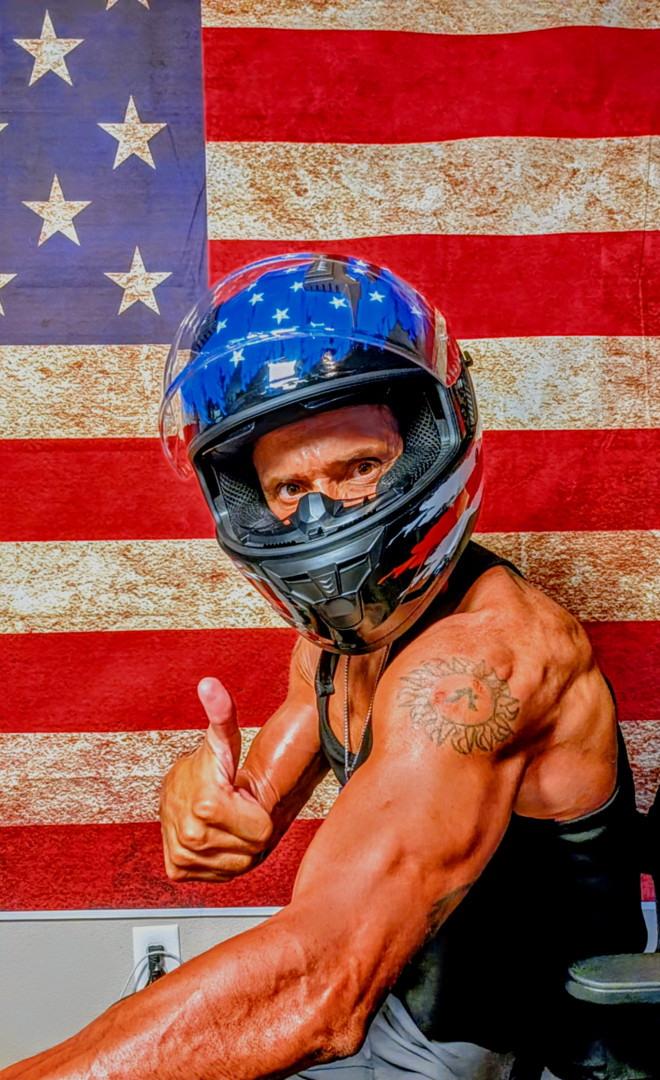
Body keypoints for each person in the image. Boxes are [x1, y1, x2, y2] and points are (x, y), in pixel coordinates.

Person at [1, 254, 646, 1080]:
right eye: (288, 488)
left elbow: (321, 981)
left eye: (359, 468)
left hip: (516, 1053)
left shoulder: (484, 661)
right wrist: (202, 804)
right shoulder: (337, 645)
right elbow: (250, 815)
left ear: (426, 444)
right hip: (395, 1015)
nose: (318, 517)